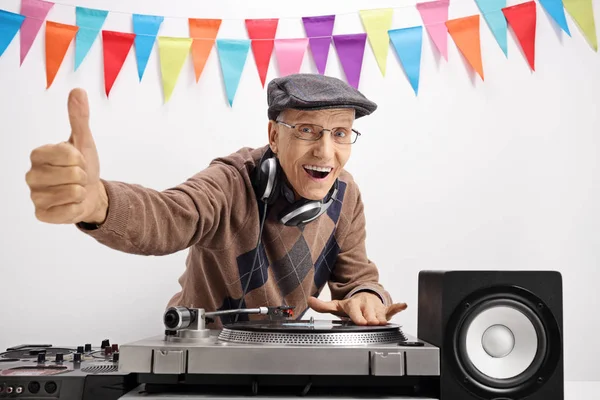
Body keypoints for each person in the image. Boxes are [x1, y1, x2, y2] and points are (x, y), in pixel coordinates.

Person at [25, 73, 407, 327]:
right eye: (307, 130)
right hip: (206, 355)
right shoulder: (232, 180)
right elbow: (172, 216)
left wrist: (367, 296)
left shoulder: (346, 195)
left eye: (340, 133)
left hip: (287, 358)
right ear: (274, 136)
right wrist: (98, 204)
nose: (326, 153)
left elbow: (356, 277)